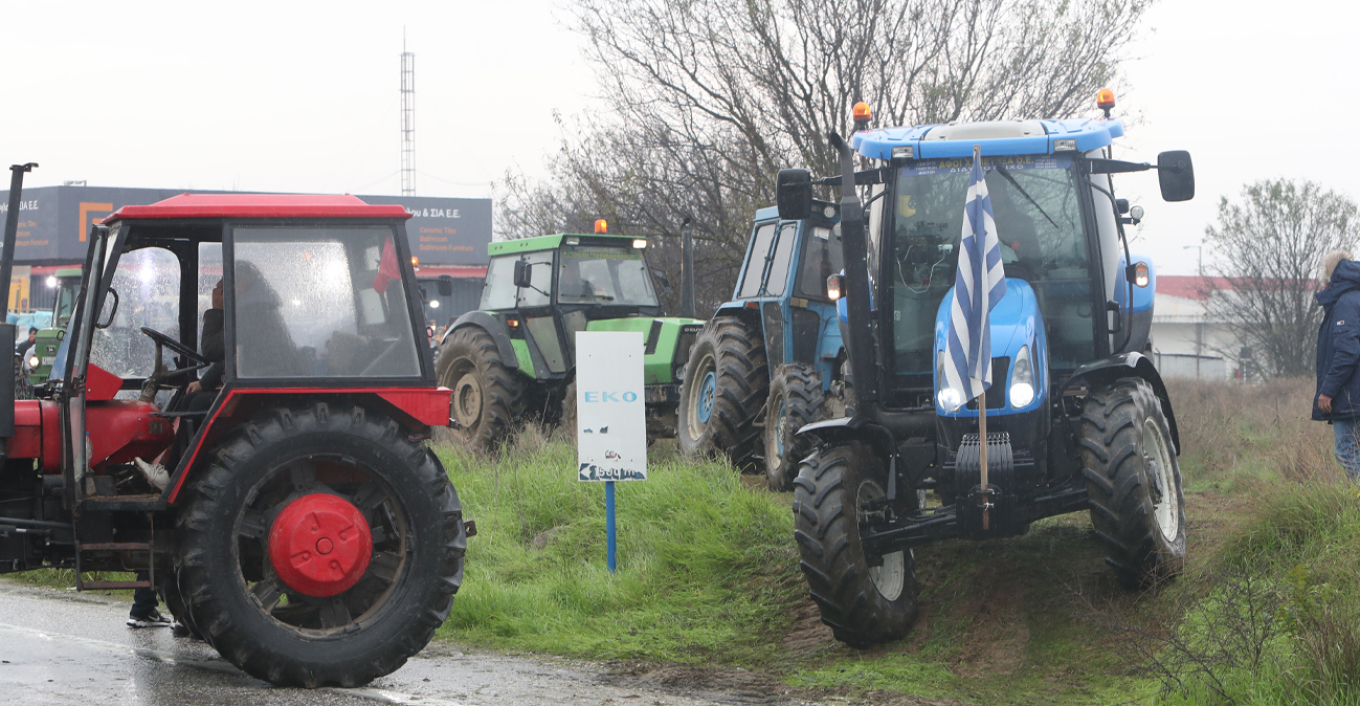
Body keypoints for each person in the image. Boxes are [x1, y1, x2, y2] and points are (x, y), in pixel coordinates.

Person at [1312, 248, 1360, 482]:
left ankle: (1356, 506)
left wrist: (1327, 391)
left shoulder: (1345, 304)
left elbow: (1348, 352)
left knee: (1347, 452)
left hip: (1351, 396)